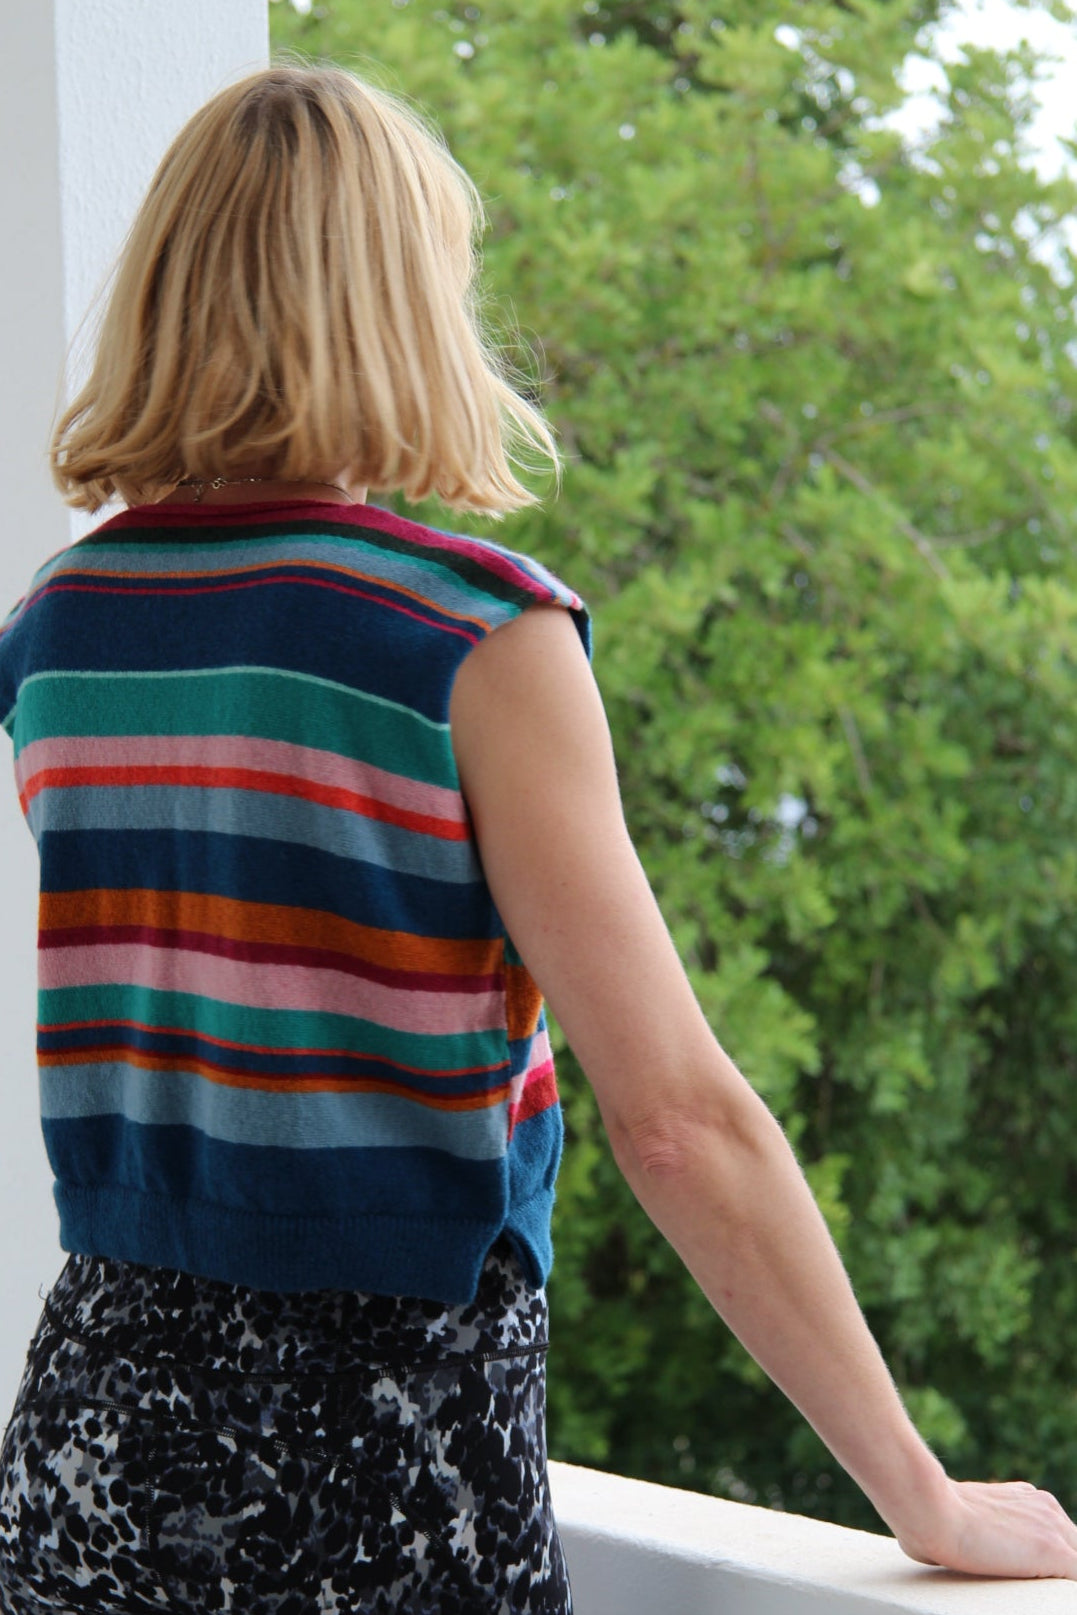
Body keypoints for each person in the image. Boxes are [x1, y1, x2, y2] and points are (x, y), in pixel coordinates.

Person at [0, 61, 1073, 1615]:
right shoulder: (470, 634)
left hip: (88, 1458)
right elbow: (675, 1124)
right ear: (397, 301)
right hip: (375, 1475)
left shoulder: (59, 631)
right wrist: (918, 1489)